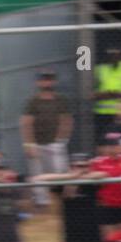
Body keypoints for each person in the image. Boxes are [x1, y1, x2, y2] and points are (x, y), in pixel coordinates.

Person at [20, 70, 73, 207]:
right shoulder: (33, 101)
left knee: (61, 172)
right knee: (37, 173)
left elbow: (66, 121)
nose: (46, 82)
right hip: (37, 144)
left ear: (54, 81)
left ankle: (64, 200)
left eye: (49, 79)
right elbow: (26, 123)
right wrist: (29, 144)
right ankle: (41, 202)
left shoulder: (61, 100)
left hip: (55, 144)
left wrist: (60, 141)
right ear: (38, 82)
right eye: (43, 79)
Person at [93, 45, 121, 139]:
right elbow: (88, 93)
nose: (114, 57)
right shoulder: (99, 69)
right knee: (104, 140)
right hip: (103, 115)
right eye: (111, 54)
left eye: (116, 54)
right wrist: (104, 95)